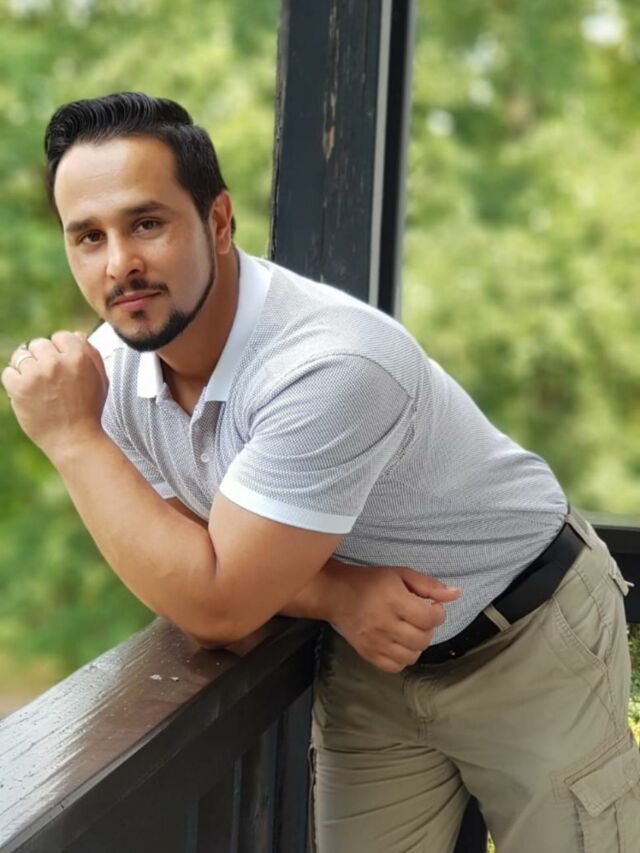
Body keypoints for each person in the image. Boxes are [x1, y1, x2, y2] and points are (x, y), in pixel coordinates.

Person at [1, 92, 637, 853]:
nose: (119, 264)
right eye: (88, 237)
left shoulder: (329, 363)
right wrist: (339, 593)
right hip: (369, 658)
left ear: (219, 221)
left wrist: (72, 440)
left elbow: (218, 603)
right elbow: (184, 548)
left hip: (529, 634)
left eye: (146, 224)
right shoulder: (109, 373)